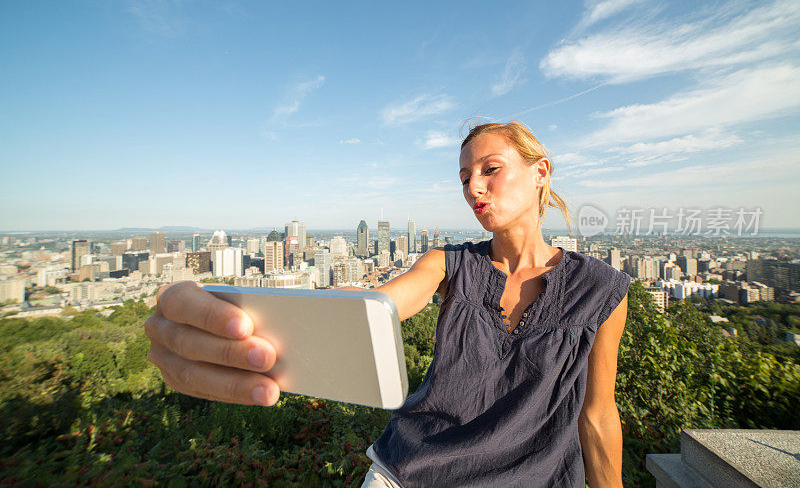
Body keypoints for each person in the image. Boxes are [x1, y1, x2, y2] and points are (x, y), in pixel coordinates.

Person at [146, 121, 631, 487]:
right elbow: (381, 303)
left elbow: (598, 415)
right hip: (408, 472)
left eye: (490, 170)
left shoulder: (601, 289)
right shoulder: (449, 263)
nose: (473, 189)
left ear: (540, 171)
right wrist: (245, 317)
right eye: (464, 178)